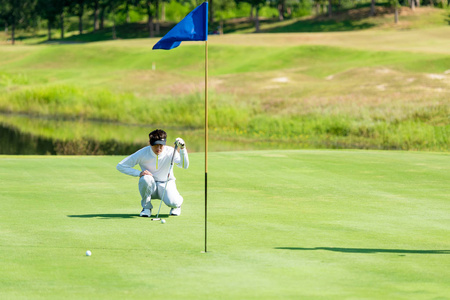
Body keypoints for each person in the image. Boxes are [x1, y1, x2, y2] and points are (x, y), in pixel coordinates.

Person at [116, 129, 189, 217]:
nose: (158, 149)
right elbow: (120, 166)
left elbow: (184, 165)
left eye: (161, 146)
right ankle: (146, 208)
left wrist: (182, 149)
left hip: (166, 183)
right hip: (151, 185)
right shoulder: (143, 152)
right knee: (145, 178)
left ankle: (177, 205)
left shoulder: (170, 151)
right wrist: (139, 173)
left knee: (173, 202)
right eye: (155, 145)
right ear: (150, 143)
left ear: (164, 144)